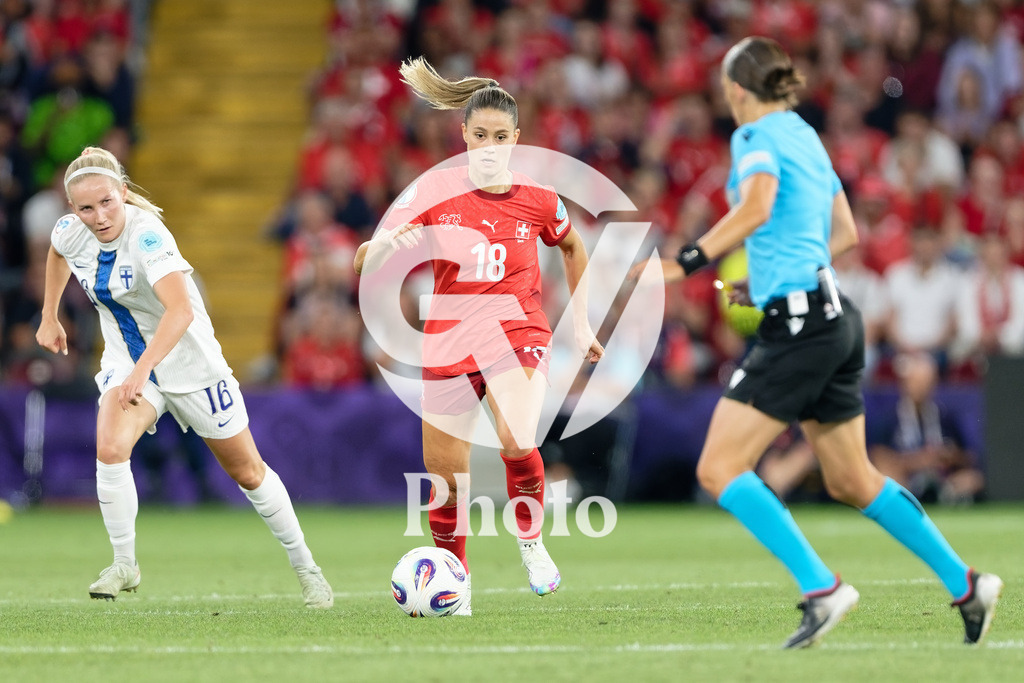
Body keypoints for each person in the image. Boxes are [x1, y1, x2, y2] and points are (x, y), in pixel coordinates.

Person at [632, 37, 1001, 648]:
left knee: (719, 467)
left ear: (737, 89)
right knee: (853, 479)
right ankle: (966, 583)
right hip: (833, 317)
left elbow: (756, 206)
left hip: (801, 327)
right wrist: (769, 277)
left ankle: (822, 588)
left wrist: (688, 260)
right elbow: (847, 233)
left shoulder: (752, 137)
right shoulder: (805, 134)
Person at [354, 58, 604, 614]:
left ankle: (532, 542)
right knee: (445, 481)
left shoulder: (538, 198)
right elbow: (363, 261)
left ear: (517, 139)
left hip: (518, 331)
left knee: (517, 439)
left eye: (500, 137)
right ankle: (456, 585)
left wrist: (580, 320)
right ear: (463, 135)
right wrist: (382, 249)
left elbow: (572, 247)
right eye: (479, 135)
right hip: (449, 337)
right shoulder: (434, 194)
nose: (489, 145)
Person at [34, 147, 333, 608]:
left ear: (125, 195)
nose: (98, 216)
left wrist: (143, 368)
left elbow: (181, 310)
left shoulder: (147, 236)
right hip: (130, 362)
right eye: (86, 207)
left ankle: (308, 569)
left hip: (191, 366)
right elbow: (57, 254)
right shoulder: (70, 232)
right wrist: (49, 315)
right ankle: (124, 563)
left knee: (248, 472)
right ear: (72, 210)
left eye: (107, 202)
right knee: (111, 447)